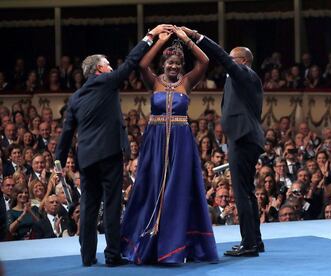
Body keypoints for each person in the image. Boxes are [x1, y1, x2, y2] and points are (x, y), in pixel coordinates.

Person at [55, 24, 173, 267]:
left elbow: (67, 133)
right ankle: (112, 256)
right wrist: (150, 36)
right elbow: (131, 61)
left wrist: (58, 160)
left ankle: (87, 258)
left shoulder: (75, 97)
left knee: (88, 207)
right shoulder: (107, 81)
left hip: (86, 158)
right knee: (111, 204)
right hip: (108, 154)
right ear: (100, 68)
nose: (110, 67)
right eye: (107, 64)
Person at [121, 26, 218, 265]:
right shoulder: (153, 81)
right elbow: (142, 64)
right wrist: (158, 41)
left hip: (181, 143)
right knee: (151, 188)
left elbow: (204, 61)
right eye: (170, 63)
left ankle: (175, 248)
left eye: (177, 64)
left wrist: (187, 39)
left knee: (178, 191)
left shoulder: (187, 81)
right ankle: (147, 244)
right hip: (155, 142)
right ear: (164, 64)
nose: (173, 67)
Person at [182, 27, 265, 257]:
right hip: (245, 137)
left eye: (232, 58)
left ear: (243, 61)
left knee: (241, 194)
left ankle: (249, 244)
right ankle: (255, 241)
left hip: (244, 138)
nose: (227, 61)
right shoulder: (241, 80)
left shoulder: (245, 74)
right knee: (246, 192)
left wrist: (195, 36)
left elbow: (218, 54)